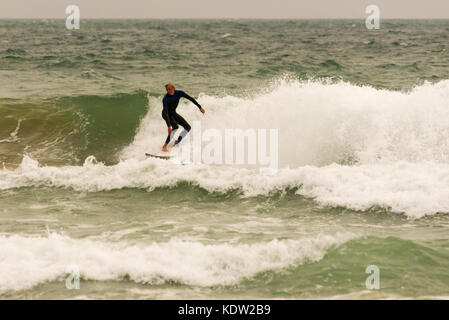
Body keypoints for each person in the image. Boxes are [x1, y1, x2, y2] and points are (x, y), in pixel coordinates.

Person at [161, 82, 205, 152]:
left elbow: (190, 98)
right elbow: (166, 113)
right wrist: (169, 126)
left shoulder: (179, 93)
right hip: (166, 114)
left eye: (169, 89)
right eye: (167, 90)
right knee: (175, 127)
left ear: (173, 88)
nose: (168, 91)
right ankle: (164, 146)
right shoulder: (165, 99)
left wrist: (200, 107)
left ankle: (177, 142)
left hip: (173, 113)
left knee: (188, 127)